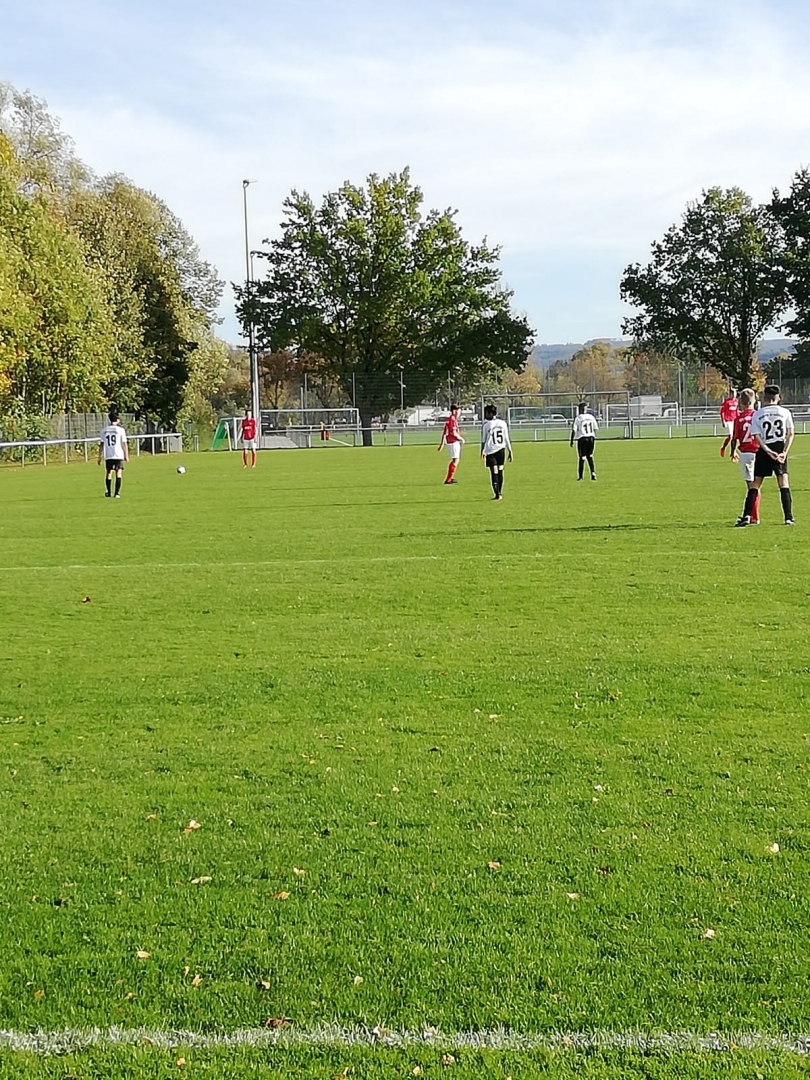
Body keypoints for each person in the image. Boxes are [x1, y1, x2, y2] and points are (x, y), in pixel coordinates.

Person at [736, 384, 795, 527]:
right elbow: (790, 433)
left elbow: (756, 436)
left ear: (764, 398)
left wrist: (767, 450)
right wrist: (784, 452)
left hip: (764, 449)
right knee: (783, 482)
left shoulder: (758, 414)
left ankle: (747, 516)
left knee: (755, 484)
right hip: (779, 447)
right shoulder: (785, 412)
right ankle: (788, 517)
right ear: (778, 398)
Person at [729, 388, 760, 525]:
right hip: (759, 452)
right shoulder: (758, 416)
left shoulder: (739, 418)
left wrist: (732, 452)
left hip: (746, 453)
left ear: (741, 402)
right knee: (756, 486)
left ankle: (753, 517)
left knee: (751, 487)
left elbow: (734, 438)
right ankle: (753, 516)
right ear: (755, 401)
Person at [480, 404, 513, 500]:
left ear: (490, 414)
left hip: (491, 451)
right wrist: (510, 450)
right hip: (501, 450)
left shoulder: (486, 425)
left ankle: (497, 494)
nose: (485, 415)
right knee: (500, 471)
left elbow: (483, 440)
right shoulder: (503, 423)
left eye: (486, 413)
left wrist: (482, 451)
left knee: (494, 472)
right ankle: (500, 493)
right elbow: (506, 438)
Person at [98, 410, 129, 498]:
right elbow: (124, 443)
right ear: (117, 419)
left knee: (108, 472)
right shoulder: (121, 430)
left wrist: (99, 457)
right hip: (118, 454)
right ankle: (117, 493)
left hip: (108, 454)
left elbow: (101, 444)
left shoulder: (104, 430)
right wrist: (126, 455)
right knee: (118, 472)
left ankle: (108, 492)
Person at [570, 402, 598, 480]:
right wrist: (593, 437)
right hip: (591, 438)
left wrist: (571, 440)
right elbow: (596, 428)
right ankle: (593, 473)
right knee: (590, 456)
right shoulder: (591, 417)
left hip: (582, 438)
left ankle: (580, 477)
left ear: (579, 409)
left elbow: (574, 430)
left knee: (582, 457)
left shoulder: (578, 418)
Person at [437, 404, 465, 484]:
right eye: (459, 411)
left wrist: (442, 444)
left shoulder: (450, 420)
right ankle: (448, 479)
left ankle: (450, 478)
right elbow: (453, 433)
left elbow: (445, 432)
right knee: (455, 460)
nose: (460, 413)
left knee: (454, 460)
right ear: (454, 411)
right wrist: (461, 438)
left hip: (450, 442)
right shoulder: (452, 420)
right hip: (453, 442)